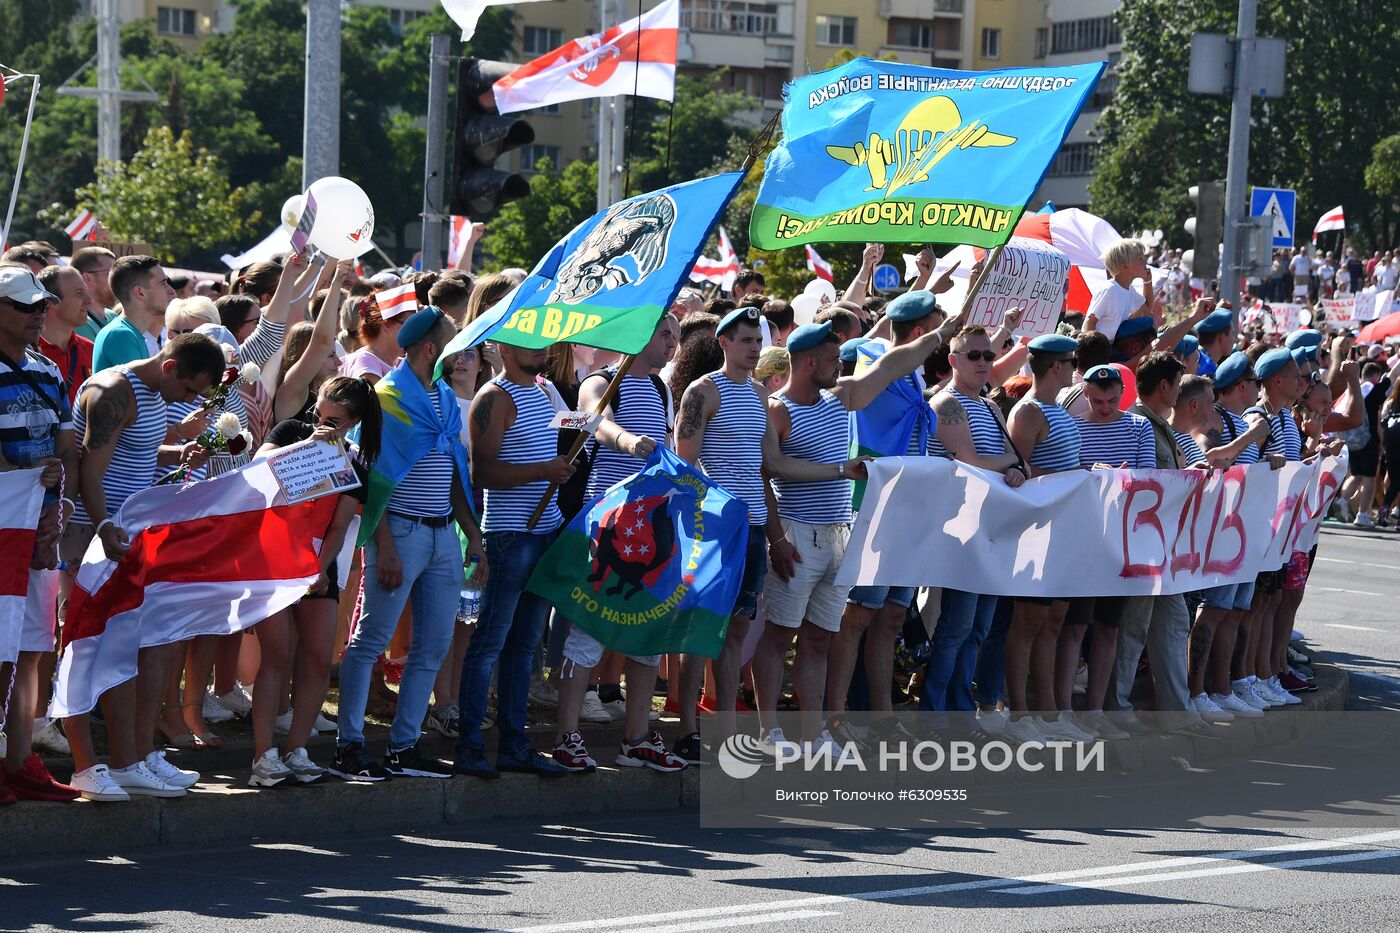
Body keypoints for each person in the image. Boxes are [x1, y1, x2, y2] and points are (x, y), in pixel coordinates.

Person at [673, 306, 872, 763]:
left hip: (754, 527)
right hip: (715, 527)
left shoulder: (761, 392)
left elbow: (771, 467)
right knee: (701, 629)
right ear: (724, 343)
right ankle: (688, 729)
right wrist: (706, 518)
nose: (754, 349)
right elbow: (684, 466)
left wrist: (777, 527)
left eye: (758, 341)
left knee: (737, 631)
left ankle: (726, 731)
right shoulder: (702, 392)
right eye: (745, 340)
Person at [66, 335, 226, 799]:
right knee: (85, 649)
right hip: (94, 535)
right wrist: (103, 527)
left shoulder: (156, 393)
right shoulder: (114, 390)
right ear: (171, 367)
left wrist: (179, 454)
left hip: (128, 535)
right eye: (190, 389)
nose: (189, 400)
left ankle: (132, 758)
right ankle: (88, 765)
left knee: (131, 650)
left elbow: (134, 451)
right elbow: (90, 468)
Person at [332, 309, 487, 782]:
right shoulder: (386, 399)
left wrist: (473, 536)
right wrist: (385, 546)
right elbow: (371, 478)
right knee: (370, 641)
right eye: (453, 343)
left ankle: (404, 747)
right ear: (431, 349)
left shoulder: (444, 397)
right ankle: (349, 746)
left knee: (434, 645)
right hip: (399, 532)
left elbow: (454, 472)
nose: (461, 353)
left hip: (442, 535)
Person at [551, 317, 688, 774]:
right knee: (588, 631)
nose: (672, 342)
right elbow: (598, 423)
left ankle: (637, 739)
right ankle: (567, 736)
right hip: (608, 526)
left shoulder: (662, 389)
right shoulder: (600, 381)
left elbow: (668, 452)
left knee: (647, 636)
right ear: (638, 334)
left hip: (652, 528)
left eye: (675, 335)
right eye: (664, 333)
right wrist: (628, 442)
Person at [250, 376, 382, 786]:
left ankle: (297, 750)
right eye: (318, 414)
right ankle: (262, 757)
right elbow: (259, 468)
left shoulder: (356, 460)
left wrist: (319, 569)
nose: (322, 425)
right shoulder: (292, 431)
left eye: (334, 422)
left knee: (318, 659)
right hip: (273, 559)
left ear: (353, 422)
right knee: (276, 655)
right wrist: (309, 445)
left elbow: (340, 525)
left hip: (317, 565)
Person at [455, 331, 575, 780]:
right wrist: (544, 470)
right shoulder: (494, 397)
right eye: (529, 343)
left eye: (543, 343)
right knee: (490, 643)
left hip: (544, 533)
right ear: (503, 349)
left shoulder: (544, 392)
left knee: (524, 647)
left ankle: (514, 744)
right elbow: (482, 472)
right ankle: (470, 745)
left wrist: (557, 469)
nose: (541, 349)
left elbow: (556, 443)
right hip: (509, 536)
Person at [918, 324, 1027, 737]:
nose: (983, 362)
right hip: (961, 529)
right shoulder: (947, 402)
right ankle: (935, 715)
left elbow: (1010, 459)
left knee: (977, 629)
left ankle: (960, 714)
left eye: (988, 355)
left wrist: (1015, 469)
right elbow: (970, 462)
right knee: (957, 628)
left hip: (992, 528)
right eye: (974, 355)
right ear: (953, 360)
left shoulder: (990, 407)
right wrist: (1011, 466)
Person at [0, 267, 82, 803]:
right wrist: (25, 480)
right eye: (25, 306)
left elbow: (66, 449)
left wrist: (57, 512)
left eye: (40, 305)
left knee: (31, 649)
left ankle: (18, 759)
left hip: (38, 532)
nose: (38, 314)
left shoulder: (48, 371)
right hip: (8, 530)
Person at [1111, 352, 1218, 737]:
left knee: (1173, 624)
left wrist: (1187, 474)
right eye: (1176, 383)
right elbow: (1140, 482)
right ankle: (1117, 706)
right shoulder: (1138, 424)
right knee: (1133, 628)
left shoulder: (1158, 425)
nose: (1179, 390)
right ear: (1164, 387)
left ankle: (1178, 712)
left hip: (1162, 546)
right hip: (1141, 546)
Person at [1004, 333, 1087, 745]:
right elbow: (1016, 472)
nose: (1075, 369)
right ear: (1057, 366)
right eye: (1072, 362)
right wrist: (1070, 479)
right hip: (1035, 532)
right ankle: (1019, 715)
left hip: (1064, 530)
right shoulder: (1028, 411)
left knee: (1053, 622)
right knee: (1027, 623)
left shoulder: (1060, 411)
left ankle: (1050, 714)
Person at [92, 256, 176, 372]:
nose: (172, 290)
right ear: (140, 292)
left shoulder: (132, 334)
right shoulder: (122, 335)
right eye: (163, 283)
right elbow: (137, 383)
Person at [36, 265, 95, 404]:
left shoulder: (90, 349)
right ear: (51, 301)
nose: (89, 300)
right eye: (79, 293)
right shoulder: (26, 353)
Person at [1083, 239, 1154, 342]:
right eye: (1140, 259)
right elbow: (1090, 321)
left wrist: (1148, 281)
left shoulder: (1129, 290)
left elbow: (1147, 308)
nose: (1145, 261)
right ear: (1124, 265)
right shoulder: (1109, 290)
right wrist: (1093, 348)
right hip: (1100, 346)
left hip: (1112, 345)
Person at [69, 247, 118, 341]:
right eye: (110, 274)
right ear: (88, 278)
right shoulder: (79, 323)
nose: (116, 279)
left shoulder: (113, 316)